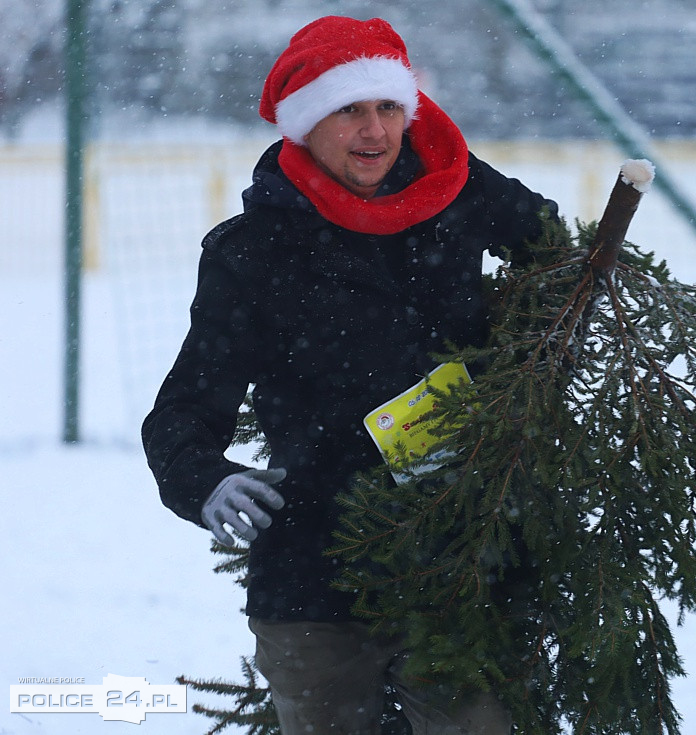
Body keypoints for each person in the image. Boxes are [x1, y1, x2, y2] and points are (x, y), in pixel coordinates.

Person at [141, 15, 557, 735]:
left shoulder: (455, 191)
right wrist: (201, 478)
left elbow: (556, 254)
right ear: (308, 124)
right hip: (315, 567)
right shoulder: (255, 250)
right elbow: (184, 408)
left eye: (389, 107)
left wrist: (532, 365)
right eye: (350, 110)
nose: (374, 130)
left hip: (462, 555)